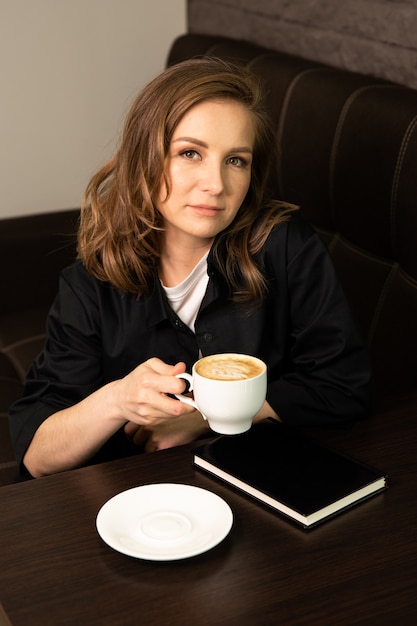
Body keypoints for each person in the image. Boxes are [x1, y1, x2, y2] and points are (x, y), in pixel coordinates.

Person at [9, 57, 372, 478]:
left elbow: (345, 385)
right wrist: (118, 400)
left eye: (236, 160)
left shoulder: (285, 243)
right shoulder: (89, 283)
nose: (216, 185)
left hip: (257, 479)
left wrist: (208, 416)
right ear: (145, 158)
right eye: (190, 153)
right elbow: (37, 457)